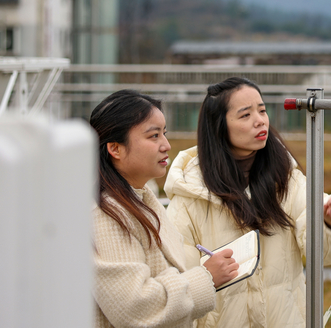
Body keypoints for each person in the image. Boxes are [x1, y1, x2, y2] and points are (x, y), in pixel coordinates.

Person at [164, 77, 331, 328]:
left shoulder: (285, 178)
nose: (260, 120)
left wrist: (330, 222)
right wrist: (206, 275)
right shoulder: (191, 193)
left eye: (262, 110)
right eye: (245, 115)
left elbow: (319, 243)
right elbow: (178, 279)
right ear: (218, 126)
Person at [90, 89, 240, 328]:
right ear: (115, 148)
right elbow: (135, 308)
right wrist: (206, 277)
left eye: (165, 133)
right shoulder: (104, 213)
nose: (166, 145)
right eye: (153, 136)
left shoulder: (140, 198)